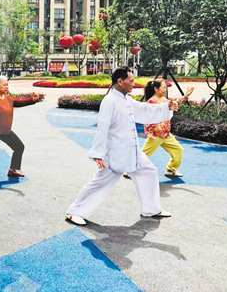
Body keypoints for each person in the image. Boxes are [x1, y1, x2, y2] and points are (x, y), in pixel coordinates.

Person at [65, 67, 179, 226]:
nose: (134, 83)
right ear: (120, 81)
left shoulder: (126, 99)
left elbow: (144, 110)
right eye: (131, 80)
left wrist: (167, 108)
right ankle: (74, 212)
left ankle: (151, 209)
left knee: (149, 171)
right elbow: (102, 127)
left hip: (131, 150)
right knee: (101, 182)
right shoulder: (110, 101)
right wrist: (98, 154)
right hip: (114, 153)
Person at [142, 79, 193, 178]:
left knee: (178, 150)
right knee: (144, 155)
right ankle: (130, 170)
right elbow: (148, 118)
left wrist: (186, 95)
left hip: (166, 134)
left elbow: (174, 103)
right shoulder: (151, 101)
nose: (165, 89)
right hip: (156, 135)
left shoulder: (164, 99)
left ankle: (171, 169)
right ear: (156, 89)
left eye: (166, 87)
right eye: (163, 87)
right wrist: (151, 131)